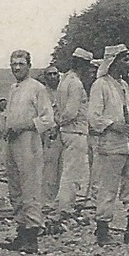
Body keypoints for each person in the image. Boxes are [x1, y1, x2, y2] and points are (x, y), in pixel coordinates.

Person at [89, 44, 129, 245]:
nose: (128, 64)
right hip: (111, 146)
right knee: (108, 189)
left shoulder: (123, 86)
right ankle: (103, 232)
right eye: (124, 60)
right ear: (113, 62)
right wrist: (113, 125)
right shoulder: (100, 85)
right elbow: (93, 117)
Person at [0, 50, 55, 254]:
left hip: (29, 141)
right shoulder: (13, 88)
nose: (17, 67)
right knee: (15, 188)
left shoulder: (37, 88)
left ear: (29, 66)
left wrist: (24, 126)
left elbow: (48, 119)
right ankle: (21, 233)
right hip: (12, 142)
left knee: (30, 188)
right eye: (13, 64)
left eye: (21, 64)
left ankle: (32, 237)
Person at [54, 48, 93, 220]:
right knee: (73, 172)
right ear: (81, 65)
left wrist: (58, 123)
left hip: (67, 132)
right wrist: (60, 122)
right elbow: (71, 111)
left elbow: (57, 107)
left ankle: (64, 205)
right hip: (75, 131)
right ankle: (65, 208)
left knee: (67, 170)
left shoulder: (64, 80)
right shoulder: (76, 83)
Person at [39, 65, 64, 234]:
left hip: (62, 133)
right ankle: (45, 203)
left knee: (60, 170)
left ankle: (56, 202)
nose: (53, 77)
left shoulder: (63, 92)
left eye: (56, 74)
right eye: (50, 74)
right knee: (48, 169)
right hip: (46, 133)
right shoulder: (42, 93)